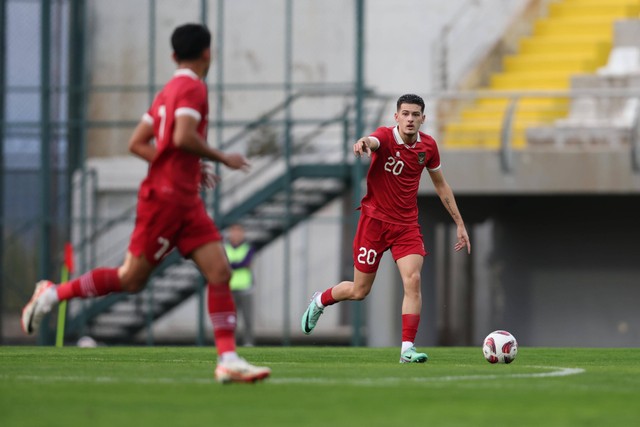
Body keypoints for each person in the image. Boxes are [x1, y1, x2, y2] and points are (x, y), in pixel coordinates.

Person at [21, 23, 270, 384]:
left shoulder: (168, 90)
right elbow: (183, 136)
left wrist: (184, 167)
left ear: (173, 56)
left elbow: (138, 143)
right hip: (166, 201)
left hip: (185, 199)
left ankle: (228, 359)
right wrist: (220, 157)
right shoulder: (193, 88)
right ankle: (52, 294)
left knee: (219, 272)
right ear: (207, 53)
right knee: (130, 279)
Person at [301, 93, 471, 363]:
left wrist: (459, 223)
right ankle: (320, 300)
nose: (410, 119)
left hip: (406, 226)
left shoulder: (428, 146)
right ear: (396, 117)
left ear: (423, 119)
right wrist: (362, 143)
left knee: (413, 280)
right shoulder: (385, 136)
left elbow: (441, 185)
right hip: (374, 223)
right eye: (405, 114)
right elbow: (372, 140)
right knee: (359, 291)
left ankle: (407, 350)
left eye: (416, 115)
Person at [224, 223, 256, 346]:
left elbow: (245, 262)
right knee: (230, 319)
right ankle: (229, 343)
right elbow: (225, 263)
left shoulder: (248, 248)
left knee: (247, 318)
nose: (236, 235)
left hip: (245, 288)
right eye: (234, 232)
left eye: (239, 232)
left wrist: (232, 264)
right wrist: (236, 264)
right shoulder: (225, 247)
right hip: (229, 288)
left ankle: (248, 342)